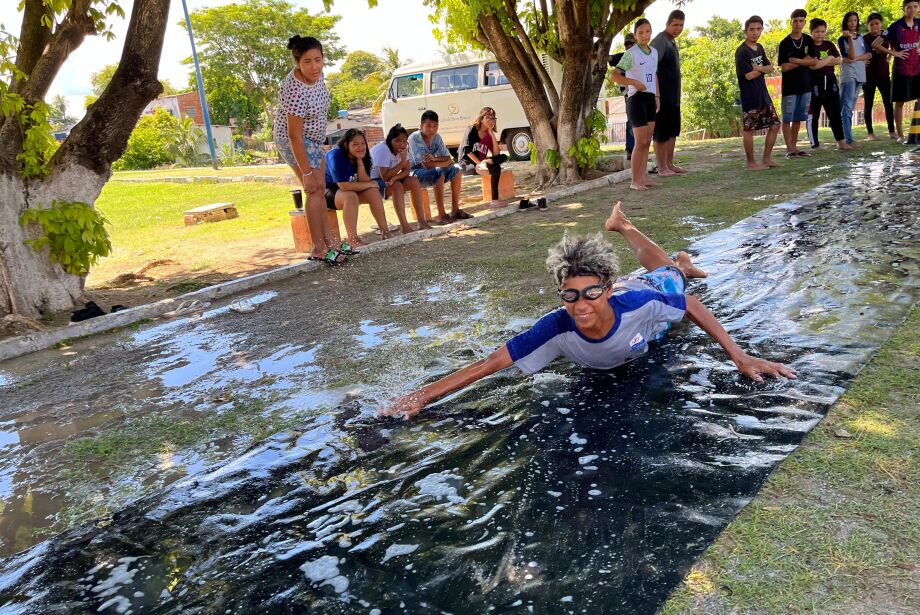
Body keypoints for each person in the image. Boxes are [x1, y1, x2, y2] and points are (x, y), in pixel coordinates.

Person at [382, 202, 796, 419]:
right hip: (630, 301)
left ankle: (629, 229)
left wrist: (739, 357)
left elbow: (689, 306)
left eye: (591, 293)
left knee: (672, 277)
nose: (581, 306)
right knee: (670, 272)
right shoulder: (557, 325)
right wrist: (422, 396)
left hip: (647, 289)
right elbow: (490, 363)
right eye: (570, 294)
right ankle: (679, 261)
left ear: (607, 290)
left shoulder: (636, 302)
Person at [273, 35, 345, 265]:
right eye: (307, 62)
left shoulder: (319, 76)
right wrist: (305, 172)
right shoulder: (294, 89)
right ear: (297, 63)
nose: (314, 66)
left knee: (321, 188)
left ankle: (331, 242)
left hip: (314, 139)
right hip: (293, 140)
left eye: (318, 60)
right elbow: (294, 135)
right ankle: (319, 248)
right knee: (312, 188)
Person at [611, 19, 660, 191]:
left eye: (648, 31)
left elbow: (654, 75)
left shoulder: (654, 52)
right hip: (636, 99)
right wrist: (634, 82)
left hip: (650, 99)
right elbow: (614, 76)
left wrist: (657, 97)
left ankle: (643, 178)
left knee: (647, 141)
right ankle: (635, 181)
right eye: (641, 33)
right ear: (635, 35)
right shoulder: (630, 53)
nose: (645, 35)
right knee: (639, 142)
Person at [325, 128, 392, 250]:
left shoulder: (363, 155)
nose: (360, 147)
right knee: (351, 196)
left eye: (362, 144)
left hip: (349, 190)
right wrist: (371, 184)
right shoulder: (335, 155)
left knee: (373, 192)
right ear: (346, 145)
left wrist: (360, 161)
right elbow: (344, 186)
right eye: (355, 144)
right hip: (327, 191)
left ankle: (385, 232)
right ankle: (353, 239)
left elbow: (364, 181)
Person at [408, 110, 472, 225]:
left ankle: (455, 210)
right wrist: (443, 162)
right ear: (421, 126)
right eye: (428, 126)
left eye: (435, 126)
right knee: (439, 172)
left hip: (432, 169)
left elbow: (450, 159)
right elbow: (426, 165)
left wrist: (435, 159)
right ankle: (441, 214)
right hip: (415, 173)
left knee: (457, 170)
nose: (432, 129)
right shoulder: (414, 138)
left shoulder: (437, 137)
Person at [736, 16, 782, 170]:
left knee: (775, 125)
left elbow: (770, 68)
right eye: (751, 29)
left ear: (762, 29)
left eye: (758, 29)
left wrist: (758, 69)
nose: (755, 33)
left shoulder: (760, 48)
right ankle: (751, 163)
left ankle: (766, 159)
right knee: (749, 130)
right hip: (750, 97)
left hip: (763, 94)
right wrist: (762, 70)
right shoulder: (741, 51)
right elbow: (748, 76)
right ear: (745, 31)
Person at [872, 0, 920, 143]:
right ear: (903, 9)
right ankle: (900, 135)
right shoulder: (895, 26)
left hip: (917, 68)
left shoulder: (919, 23)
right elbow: (875, 44)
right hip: (901, 70)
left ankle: (917, 132)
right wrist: (894, 53)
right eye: (909, 7)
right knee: (899, 103)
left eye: (915, 7)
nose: (912, 10)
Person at [371, 125, 432, 234]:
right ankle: (404, 226)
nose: (402, 144)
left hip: (390, 178)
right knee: (397, 186)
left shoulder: (404, 148)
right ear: (390, 140)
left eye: (404, 141)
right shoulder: (383, 149)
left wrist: (395, 177)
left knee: (414, 181)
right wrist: (402, 162)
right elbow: (384, 176)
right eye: (397, 141)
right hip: (373, 181)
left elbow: (406, 171)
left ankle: (422, 221)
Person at [778, 9, 818, 157]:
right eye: (795, 20)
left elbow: (813, 61)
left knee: (798, 118)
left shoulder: (808, 40)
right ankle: (789, 148)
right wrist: (804, 61)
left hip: (806, 85)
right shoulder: (785, 43)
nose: (798, 23)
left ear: (805, 22)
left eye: (801, 20)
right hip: (790, 87)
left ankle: (795, 147)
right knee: (787, 118)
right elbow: (785, 66)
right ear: (791, 22)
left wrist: (796, 60)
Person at [651, 9, 687, 176]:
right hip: (662, 97)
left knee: (672, 131)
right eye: (675, 25)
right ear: (667, 24)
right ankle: (661, 167)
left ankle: (669, 164)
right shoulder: (661, 40)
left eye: (681, 25)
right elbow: (651, 67)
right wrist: (657, 95)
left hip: (674, 97)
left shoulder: (672, 41)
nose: (678, 28)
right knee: (661, 132)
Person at [806, 18, 849, 150]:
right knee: (815, 114)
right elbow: (814, 66)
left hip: (830, 80)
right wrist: (829, 58)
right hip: (814, 82)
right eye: (817, 31)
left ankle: (841, 142)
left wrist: (825, 60)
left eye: (823, 31)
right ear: (811, 31)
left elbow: (839, 60)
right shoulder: (808, 46)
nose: (820, 34)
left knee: (835, 112)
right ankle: (815, 144)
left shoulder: (829, 44)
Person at [457, 107, 510, 208]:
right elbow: (466, 150)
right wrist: (480, 163)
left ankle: (494, 201)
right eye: (488, 118)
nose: (491, 120)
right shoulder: (472, 129)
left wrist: (492, 134)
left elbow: (496, 154)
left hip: (482, 163)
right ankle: (495, 200)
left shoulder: (488, 135)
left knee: (503, 156)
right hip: (467, 163)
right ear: (481, 118)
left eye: (493, 118)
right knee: (496, 168)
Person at [863, 12, 898, 140]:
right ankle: (870, 133)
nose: (874, 27)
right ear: (868, 26)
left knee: (888, 103)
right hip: (868, 76)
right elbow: (860, 54)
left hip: (884, 75)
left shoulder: (886, 36)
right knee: (868, 103)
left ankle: (892, 131)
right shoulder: (864, 38)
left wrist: (889, 57)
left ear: (881, 24)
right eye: (871, 25)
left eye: (877, 24)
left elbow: (894, 46)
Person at [838, 12, 871, 146]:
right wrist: (850, 39)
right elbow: (850, 55)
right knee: (846, 107)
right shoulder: (842, 39)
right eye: (850, 21)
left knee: (851, 106)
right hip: (849, 75)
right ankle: (848, 139)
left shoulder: (861, 38)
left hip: (859, 74)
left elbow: (869, 55)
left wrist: (857, 59)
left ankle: (847, 137)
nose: (853, 23)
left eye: (855, 20)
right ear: (846, 22)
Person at [608, 34, 637, 161]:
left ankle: (639, 151)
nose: (629, 46)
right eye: (627, 44)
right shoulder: (623, 57)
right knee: (631, 122)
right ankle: (631, 150)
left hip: (645, 93)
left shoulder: (644, 55)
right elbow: (609, 59)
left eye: (631, 43)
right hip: (629, 95)